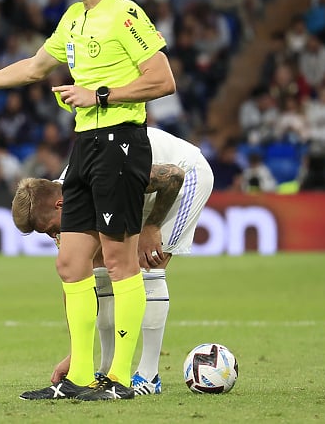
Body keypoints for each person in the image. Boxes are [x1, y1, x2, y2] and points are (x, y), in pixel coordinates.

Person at [0, 0, 176, 400]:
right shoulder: (74, 18)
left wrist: (100, 94)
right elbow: (32, 68)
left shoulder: (125, 15)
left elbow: (163, 79)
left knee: (122, 262)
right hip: (85, 145)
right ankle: (81, 375)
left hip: (121, 140)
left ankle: (122, 379)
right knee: (70, 262)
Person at [11, 127, 215, 397]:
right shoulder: (67, 199)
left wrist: (152, 226)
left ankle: (148, 374)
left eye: (49, 229)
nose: (52, 236)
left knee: (149, 263)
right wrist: (76, 353)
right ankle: (105, 372)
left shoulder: (103, 175)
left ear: (60, 205)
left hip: (184, 176)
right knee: (97, 265)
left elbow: (173, 176)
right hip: (138, 191)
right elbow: (75, 279)